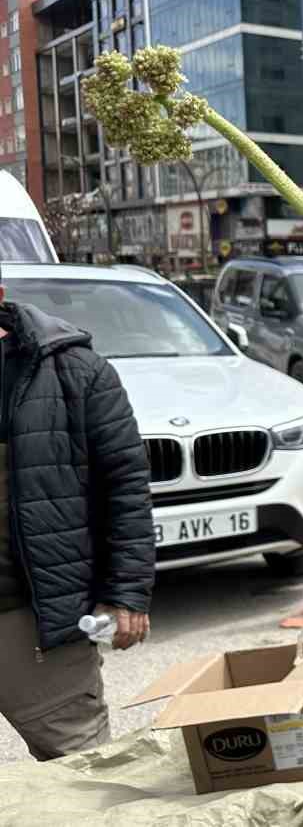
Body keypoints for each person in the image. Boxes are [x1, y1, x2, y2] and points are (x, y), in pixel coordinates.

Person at [0, 285, 153, 760]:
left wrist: (125, 592)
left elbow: (125, 486)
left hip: (30, 620)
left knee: (84, 774)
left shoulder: (73, 370)